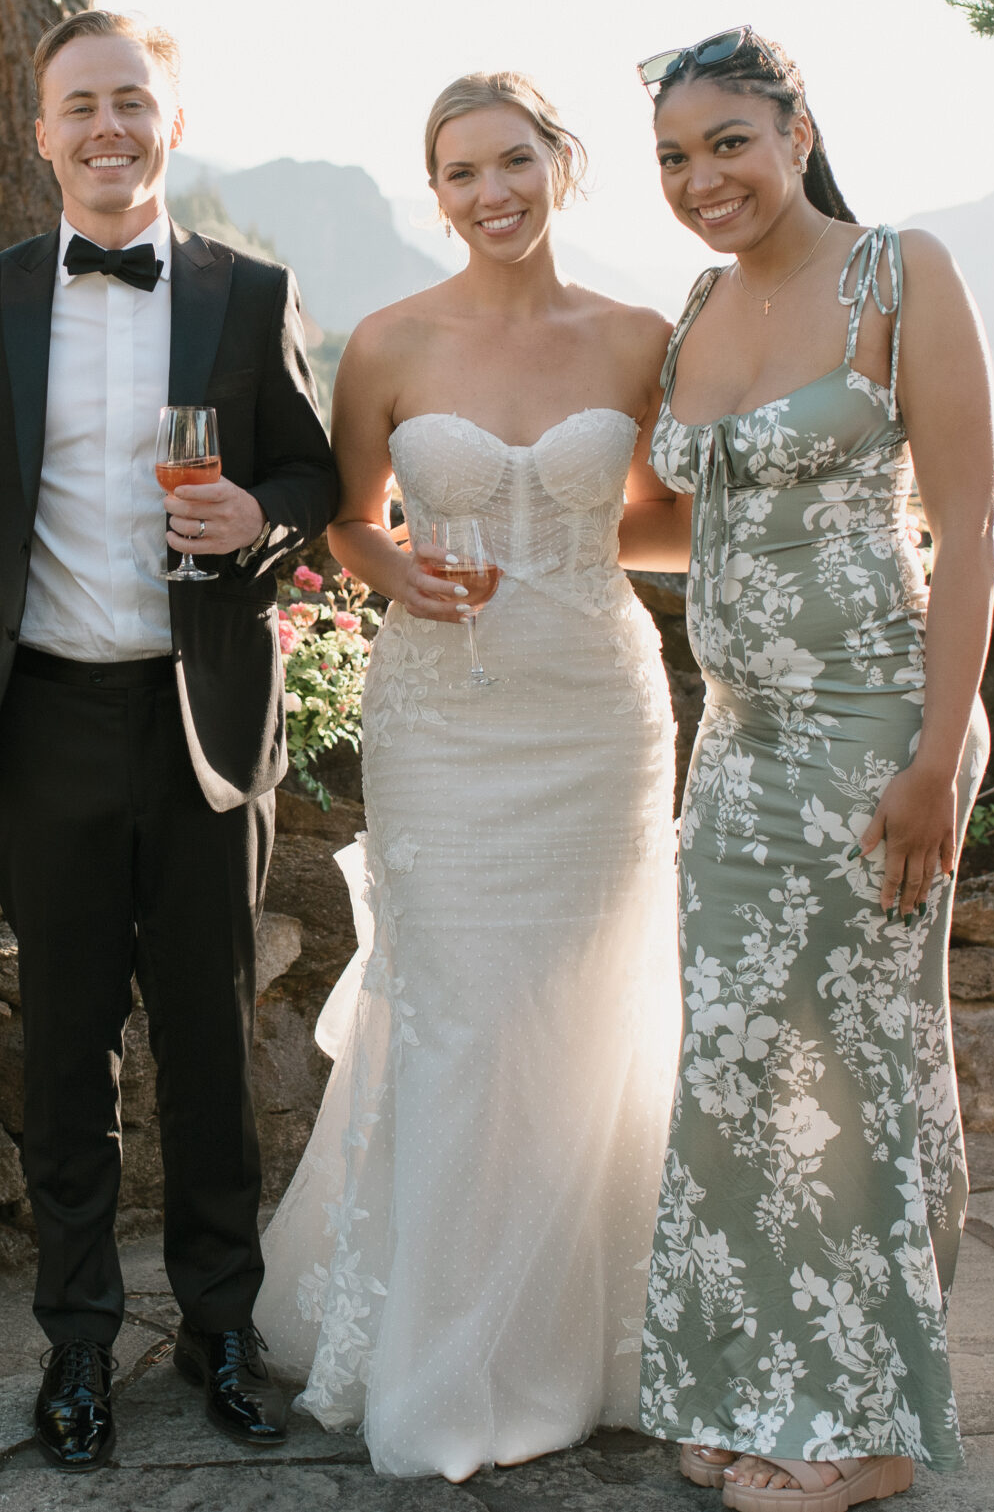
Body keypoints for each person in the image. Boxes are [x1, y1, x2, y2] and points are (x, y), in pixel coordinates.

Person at [253, 72, 690, 1481]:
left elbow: (671, 525)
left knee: (586, 1008)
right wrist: (406, 573)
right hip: (444, 718)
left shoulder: (640, 339)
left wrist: (577, 556)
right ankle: (439, 1347)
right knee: (451, 1013)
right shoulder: (385, 341)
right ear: (433, 191)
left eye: (515, 161)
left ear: (564, 164)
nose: (491, 193)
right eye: (460, 173)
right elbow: (343, 526)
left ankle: (586, 1337)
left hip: (597, 716)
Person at [0, 10, 339, 1471]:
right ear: (40, 131)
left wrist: (262, 517)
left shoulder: (245, 289)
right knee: (66, 1049)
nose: (108, 128)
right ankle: (80, 1341)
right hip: (43, 718)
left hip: (204, 719)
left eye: (133, 103)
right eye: (79, 106)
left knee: (214, 1044)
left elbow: (313, 462)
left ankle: (222, 1325)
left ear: (172, 121)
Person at [633, 28, 994, 1512]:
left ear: (797, 129)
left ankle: (865, 1427)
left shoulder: (900, 273)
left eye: (728, 140)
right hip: (737, 745)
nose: (702, 177)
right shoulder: (701, 303)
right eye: (673, 155)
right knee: (733, 1069)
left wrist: (930, 757)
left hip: (875, 733)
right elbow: (681, 527)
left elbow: (971, 528)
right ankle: (744, 1378)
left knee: (855, 1068)